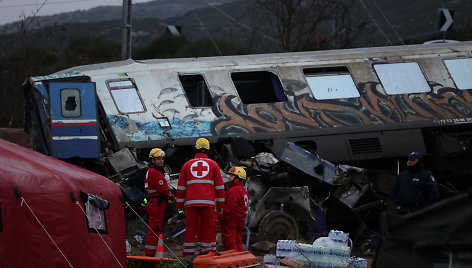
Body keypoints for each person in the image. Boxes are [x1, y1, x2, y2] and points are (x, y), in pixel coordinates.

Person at [176, 138, 225, 257]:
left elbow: (181, 188)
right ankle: (205, 254)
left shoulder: (187, 165)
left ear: (196, 148)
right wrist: (220, 206)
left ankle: (187, 255)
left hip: (191, 204)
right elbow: (219, 187)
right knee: (206, 229)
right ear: (208, 150)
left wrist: (179, 206)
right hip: (208, 204)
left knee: (190, 229)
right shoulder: (214, 165)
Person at [144, 148, 175, 256]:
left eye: (162, 159)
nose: (161, 161)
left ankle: (152, 254)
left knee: (156, 230)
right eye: (158, 159)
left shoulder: (154, 171)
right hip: (156, 204)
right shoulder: (154, 172)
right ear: (152, 160)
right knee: (155, 230)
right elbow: (164, 191)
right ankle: (150, 256)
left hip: (156, 203)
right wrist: (175, 198)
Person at [220, 166, 249, 252]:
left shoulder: (234, 190)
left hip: (231, 220)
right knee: (238, 240)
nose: (229, 177)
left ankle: (232, 261)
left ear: (237, 178)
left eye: (232, 175)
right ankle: (240, 259)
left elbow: (229, 208)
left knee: (230, 243)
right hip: (239, 220)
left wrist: (222, 217)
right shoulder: (243, 190)